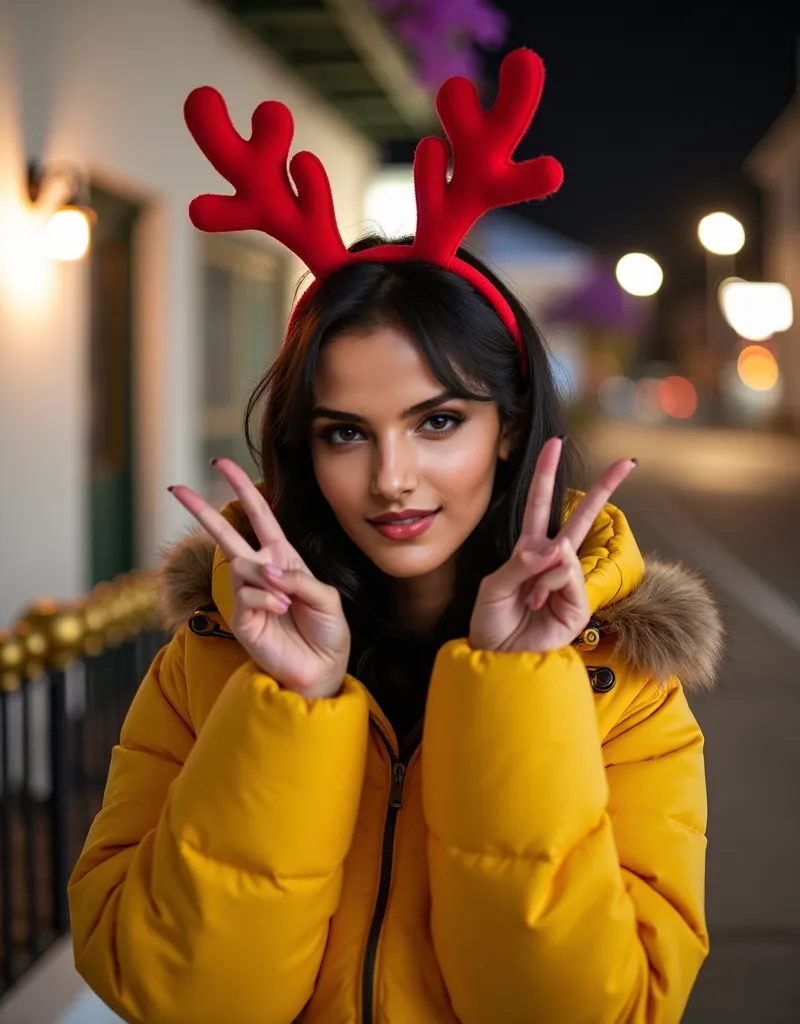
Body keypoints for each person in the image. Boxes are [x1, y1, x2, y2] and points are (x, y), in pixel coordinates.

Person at [67, 49, 722, 1024]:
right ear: (301, 443)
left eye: (436, 420)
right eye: (344, 432)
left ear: (506, 426)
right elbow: (179, 995)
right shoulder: (205, 668)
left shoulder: (618, 686)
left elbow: (593, 1009)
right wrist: (292, 705)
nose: (390, 479)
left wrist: (515, 693)